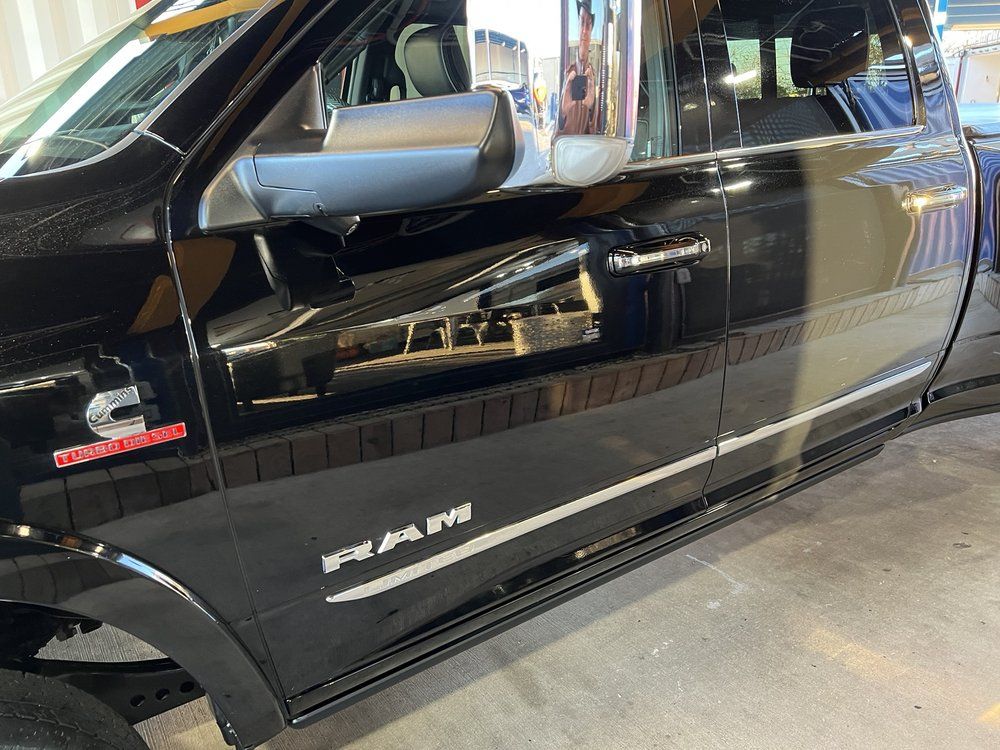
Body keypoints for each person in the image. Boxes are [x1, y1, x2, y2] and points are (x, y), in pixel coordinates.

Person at [557, 0, 599, 136]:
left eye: (588, 24)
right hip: (566, 147)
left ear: (592, 31)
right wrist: (563, 113)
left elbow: (600, 133)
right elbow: (553, 136)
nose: (584, 31)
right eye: (582, 22)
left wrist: (592, 108)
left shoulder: (596, 78)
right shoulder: (565, 73)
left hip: (588, 148)